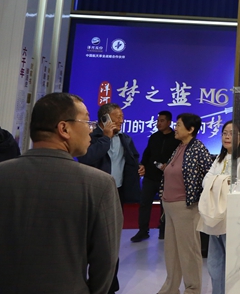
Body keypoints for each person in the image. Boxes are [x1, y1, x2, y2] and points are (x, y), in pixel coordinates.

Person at [0, 92, 122, 294]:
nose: (91, 130)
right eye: (87, 122)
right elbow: (106, 262)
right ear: (64, 128)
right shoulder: (99, 185)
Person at [78, 102, 141, 294]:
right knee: (86, 240)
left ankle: (109, 286)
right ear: (105, 119)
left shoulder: (125, 138)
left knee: (110, 241)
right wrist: (106, 137)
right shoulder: (91, 136)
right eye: (117, 116)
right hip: (93, 193)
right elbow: (87, 158)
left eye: (122, 116)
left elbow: (132, 158)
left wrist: (139, 168)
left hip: (116, 193)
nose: (122, 120)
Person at [158, 113, 213, 294]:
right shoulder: (179, 147)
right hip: (169, 207)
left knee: (189, 252)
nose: (175, 128)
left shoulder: (198, 148)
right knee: (172, 252)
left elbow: (210, 175)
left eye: (179, 125)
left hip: (185, 208)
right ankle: (171, 288)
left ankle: (193, 289)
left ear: (190, 129)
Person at [198, 121, 240, 294]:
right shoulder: (219, 159)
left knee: (232, 261)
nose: (227, 137)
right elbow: (205, 181)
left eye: (232, 133)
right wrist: (224, 182)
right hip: (215, 216)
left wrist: (217, 182)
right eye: (224, 133)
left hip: (233, 216)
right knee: (214, 262)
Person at [132, 110, 181, 242]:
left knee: (165, 206)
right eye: (158, 120)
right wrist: (142, 165)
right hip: (150, 176)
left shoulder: (176, 139)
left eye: (162, 121)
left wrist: (169, 165)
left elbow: (178, 157)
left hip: (166, 178)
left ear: (169, 122)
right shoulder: (154, 137)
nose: (159, 123)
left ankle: (163, 230)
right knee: (144, 203)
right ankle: (143, 231)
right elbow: (147, 154)